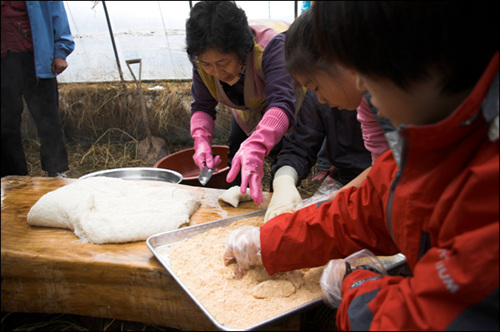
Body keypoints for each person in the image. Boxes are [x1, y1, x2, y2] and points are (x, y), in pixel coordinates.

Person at [223, 1, 499, 330]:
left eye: (365, 68)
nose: (362, 86)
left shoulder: (487, 180)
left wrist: (355, 285)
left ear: (414, 50)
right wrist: (268, 242)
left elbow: (437, 315)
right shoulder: (438, 133)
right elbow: (364, 210)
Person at [265, 9, 393, 222]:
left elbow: (392, 167)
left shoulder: (387, 95)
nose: (320, 98)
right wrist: (284, 182)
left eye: (315, 86)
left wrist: (332, 202)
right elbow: (299, 146)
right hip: (351, 184)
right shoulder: (322, 100)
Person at [185, 1, 309, 205]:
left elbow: (282, 102)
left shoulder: (272, 46)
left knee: (281, 155)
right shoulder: (201, 62)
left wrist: (258, 144)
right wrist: (201, 141)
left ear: (242, 51)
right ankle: (239, 199)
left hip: (288, 105)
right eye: (207, 64)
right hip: (248, 107)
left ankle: (274, 204)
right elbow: (202, 106)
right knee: (237, 149)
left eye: (223, 63)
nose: (215, 72)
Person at [1, 1, 74, 178]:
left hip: (36, 59)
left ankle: (56, 170)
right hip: (4, 61)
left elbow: (57, 13)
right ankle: (14, 176)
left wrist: (60, 52)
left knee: (47, 118)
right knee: (5, 122)